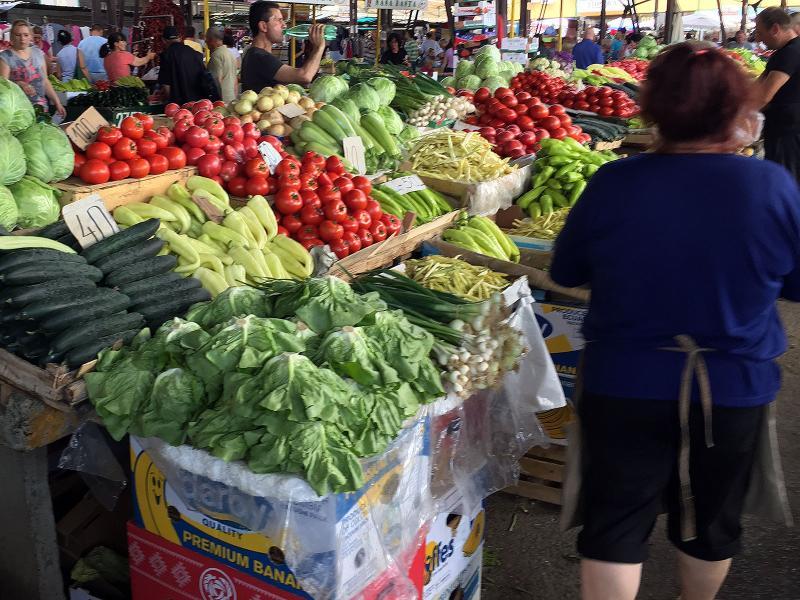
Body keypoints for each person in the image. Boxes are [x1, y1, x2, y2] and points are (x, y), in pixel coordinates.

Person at [550, 42, 799, 600]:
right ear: (738, 108)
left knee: (615, 523)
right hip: (731, 385)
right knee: (710, 521)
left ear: (653, 108)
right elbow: (796, 284)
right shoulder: (770, 185)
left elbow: (567, 270)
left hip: (624, 381)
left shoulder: (615, 182)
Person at [755, 8, 800, 182]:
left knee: (784, 180)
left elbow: (764, 95)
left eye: (760, 32)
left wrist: (735, 120)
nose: (758, 38)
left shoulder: (790, 53)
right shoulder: (784, 51)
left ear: (775, 29)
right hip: (786, 128)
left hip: (786, 132)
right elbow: (758, 84)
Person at [240, 1, 325, 90]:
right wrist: (319, 47)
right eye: (279, 20)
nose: (284, 25)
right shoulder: (259, 56)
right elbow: (305, 76)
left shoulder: (255, 54)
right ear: (263, 26)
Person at [0, 21, 65, 116]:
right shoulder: (5, 57)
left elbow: (45, 81)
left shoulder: (38, 53)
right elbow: (3, 87)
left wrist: (57, 103)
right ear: (11, 37)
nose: (22, 38)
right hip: (18, 111)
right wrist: (19, 84)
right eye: (18, 35)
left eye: (26, 35)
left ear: (30, 37)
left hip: (41, 109)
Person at [158, 26, 208, 104]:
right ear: (179, 38)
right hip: (199, 102)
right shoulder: (195, 53)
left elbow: (166, 85)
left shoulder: (166, 55)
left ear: (164, 40)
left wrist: (169, 102)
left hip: (180, 104)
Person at [206, 27, 236, 103]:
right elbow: (235, 79)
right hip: (231, 97)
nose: (205, 41)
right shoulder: (229, 53)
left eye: (207, 39)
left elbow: (215, 81)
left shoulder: (216, 55)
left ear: (212, 39)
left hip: (221, 100)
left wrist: (217, 102)